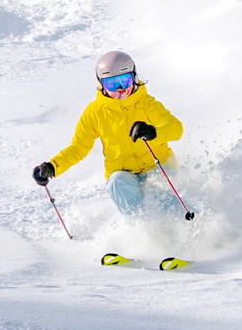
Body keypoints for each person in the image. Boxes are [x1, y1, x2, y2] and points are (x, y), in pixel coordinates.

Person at [33, 50, 185, 216]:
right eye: (112, 84)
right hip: (124, 175)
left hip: (157, 167)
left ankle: (190, 225)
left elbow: (176, 129)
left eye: (125, 81)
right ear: (101, 84)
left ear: (134, 77)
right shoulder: (95, 112)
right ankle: (142, 227)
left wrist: (152, 131)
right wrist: (52, 166)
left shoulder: (147, 104)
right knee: (116, 182)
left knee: (164, 194)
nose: (120, 89)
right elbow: (78, 147)